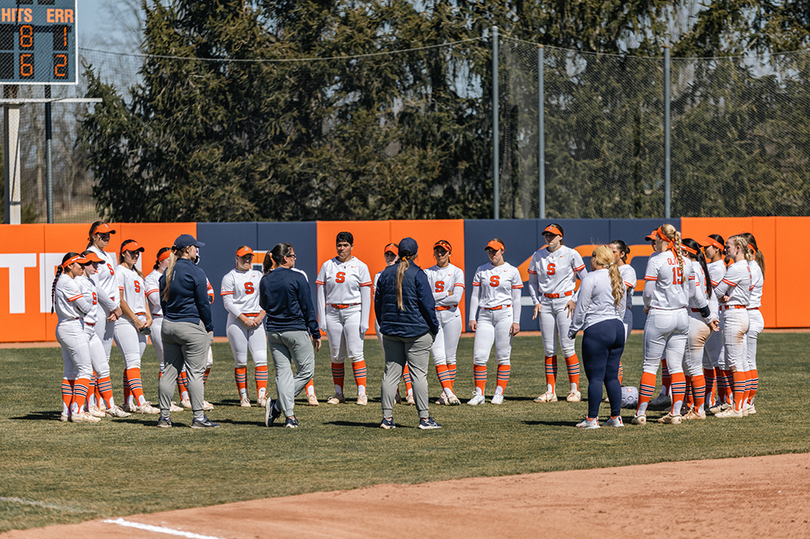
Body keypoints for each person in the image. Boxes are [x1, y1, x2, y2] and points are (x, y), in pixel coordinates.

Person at [632, 224, 714, 426]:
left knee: (650, 366)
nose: (654, 242)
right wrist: (707, 315)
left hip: (660, 314)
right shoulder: (686, 261)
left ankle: (641, 413)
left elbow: (648, 292)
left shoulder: (656, 260)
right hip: (681, 316)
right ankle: (675, 413)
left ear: (662, 239)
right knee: (676, 366)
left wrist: (646, 306)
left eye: (656, 238)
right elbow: (696, 294)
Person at [375, 237, 441, 429]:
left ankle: (386, 419)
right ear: (415, 254)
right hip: (416, 331)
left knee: (390, 374)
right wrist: (434, 326)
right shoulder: (418, 273)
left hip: (391, 331)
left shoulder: (386, 273)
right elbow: (428, 305)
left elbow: (378, 304)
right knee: (418, 375)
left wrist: (384, 324)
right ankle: (424, 419)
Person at [157, 234, 218, 428]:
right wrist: (209, 327)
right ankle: (198, 418)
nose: (197, 250)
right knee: (195, 374)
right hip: (191, 327)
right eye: (195, 247)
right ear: (187, 250)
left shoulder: (167, 272)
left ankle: (164, 417)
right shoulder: (196, 271)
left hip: (168, 326)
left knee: (169, 372)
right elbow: (203, 304)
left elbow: (163, 304)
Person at [260, 243, 321, 429]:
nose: (295, 258)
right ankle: (280, 407)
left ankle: (288, 415)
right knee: (306, 372)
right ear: (285, 258)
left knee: (283, 375)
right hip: (295, 330)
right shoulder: (298, 277)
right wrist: (315, 332)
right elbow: (307, 307)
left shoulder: (265, 279)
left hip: (273, 331)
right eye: (293, 255)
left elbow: (264, 305)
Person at [567, 245, 627, 428]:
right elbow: (622, 308)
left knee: (595, 377)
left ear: (595, 259)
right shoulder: (617, 277)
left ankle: (592, 419)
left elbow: (581, 308)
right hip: (617, 328)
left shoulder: (590, 278)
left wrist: (573, 329)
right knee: (612, 377)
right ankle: (616, 417)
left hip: (598, 329)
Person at [528, 224, 587, 404]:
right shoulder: (538, 255)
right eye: (546, 235)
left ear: (560, 236)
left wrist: (575, 299)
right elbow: (531, 282)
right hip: (545, 302)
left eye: (552, 235)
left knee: (568, 347)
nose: (549, 238)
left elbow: (586, 278)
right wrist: (536, 301)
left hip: (564, 301)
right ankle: (550, 391)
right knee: (549, 349)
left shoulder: (571, 253)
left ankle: (574, 391)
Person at [316, 232, 372, 405]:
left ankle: (361, 393)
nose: (342, 248)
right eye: (339, 245)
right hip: (332, 312)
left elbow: (366, 294)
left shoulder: (360, 266)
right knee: (336, 355)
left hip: (353, 310)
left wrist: (365, 319)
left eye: (345, 245)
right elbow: (320, 293)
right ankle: (338, 393)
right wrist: (322, 317)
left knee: (356, 353)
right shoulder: (328, 265)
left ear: (352, 246)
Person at [467, 239, 523, 405]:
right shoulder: (482, 270)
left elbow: (517, 299)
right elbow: (475, 295)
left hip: (505, 313)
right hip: (485, 315)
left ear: (502, 250)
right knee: (479, 356)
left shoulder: (512, 271)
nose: (492, 253)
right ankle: (479, 394)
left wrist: (516, 321)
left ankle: (499, 393)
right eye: (490, 251)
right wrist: (472, 316)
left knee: (503, 356)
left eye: (495, 250)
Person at [79, 250, 130, 418]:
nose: (96, 266)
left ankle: (107, 406)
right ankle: (82, 408)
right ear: (82, 264)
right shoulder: (77, 283)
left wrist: (113, 307)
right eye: (92, 263)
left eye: (96, 263)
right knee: (81, 370)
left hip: (91, 330)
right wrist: (113, 307)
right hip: (82, 331)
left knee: (102, 366)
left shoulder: (89, 282)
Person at [52, 252, 99, 423]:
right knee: (85, 370)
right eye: (80, 264)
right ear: (70, 265)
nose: (83, 266)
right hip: (72, 326)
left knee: (71, 371)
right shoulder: (68, 282)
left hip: (66, 325)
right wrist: (89, 305)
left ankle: (67, 411)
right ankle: (78, 410)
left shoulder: (63, 280)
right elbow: (85, 307)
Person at [113, 240, 158, 414]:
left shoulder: (138, 274)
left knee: (132, 363)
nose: (135, 255)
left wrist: (148, 316)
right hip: (126, 321)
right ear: (123, 253)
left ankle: (127, 402)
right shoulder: (119, 271)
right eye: (132, 252)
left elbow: (143, 299)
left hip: (140, 321)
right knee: (133, 362)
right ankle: (141, 402)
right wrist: (135, 319)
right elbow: (120, 299)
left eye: (138, 252)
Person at [221, 246, 268, 407]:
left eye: (249, 257)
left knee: (261, 359)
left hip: (257, 320)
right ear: (236, 258)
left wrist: (261, 315)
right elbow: (228, 303)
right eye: (243, 257)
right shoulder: (229, 277)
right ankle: (244, 397)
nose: (246, 260)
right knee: (241, 361)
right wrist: (243, 318)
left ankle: (262, 396)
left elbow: (266, 298)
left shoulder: (258, 275)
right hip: (237, 321)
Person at [711, 235, 753, 419]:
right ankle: (740, 405)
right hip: (740, 313)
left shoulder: (736, 267)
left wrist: (722, 295)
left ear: (738, 248)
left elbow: (718, 291)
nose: (726, 249)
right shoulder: (745, 266)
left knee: (734, 364)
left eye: (728, 246)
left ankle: (736, 408)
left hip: (734, 315)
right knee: (740, 363)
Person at [680, 238, 718, 420]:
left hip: (696, 318)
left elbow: (696, 295)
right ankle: (691, 406)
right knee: (689, 366)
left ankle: (698, 409)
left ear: (686, 252)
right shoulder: (699, 266)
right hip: (698, 318)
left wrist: (709, 317)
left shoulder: (692, 267)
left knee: (693, 368)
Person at [85, 222, 123, 395]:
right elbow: (96, 286)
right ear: (94, 236)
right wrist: (113, 306)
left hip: (110, 310)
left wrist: (115, 307)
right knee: (95, 358)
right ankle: (91, 402)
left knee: (105, 358)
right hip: (99, 309)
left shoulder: (108, 255)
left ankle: (102, 401)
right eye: (102, 234)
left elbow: (113, 285)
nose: (106, 237)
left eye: (109, 234)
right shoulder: (90, 255)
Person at [424, 240, 464, 405]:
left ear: (449, 253)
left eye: (443, 251)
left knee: (450, 356)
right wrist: (444, 294)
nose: (440, 254)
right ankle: (450, 393)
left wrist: (436, 297)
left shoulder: (456, 271)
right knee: (438, 356)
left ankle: (445, 393)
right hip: (434, 316)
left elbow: (457, 297)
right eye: (437, 251)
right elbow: (425, 299)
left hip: (452, 315)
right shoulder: (427, 272)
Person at [372, 243, 411, 405]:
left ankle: (410, 392)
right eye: (387, 254)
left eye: (392, 254)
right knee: (389, 357)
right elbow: (377, 301)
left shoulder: (406, 273)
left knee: (407, 357)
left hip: (402, 318)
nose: (389, 257)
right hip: (385, 318)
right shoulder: (379, 275)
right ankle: (395, 392)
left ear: (399, 256)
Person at [698, 234, 727, 410]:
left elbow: (710, 293)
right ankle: (710, 399)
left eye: (707, 246)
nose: (704, 249)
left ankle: (725, 399)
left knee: (717, 361)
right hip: (708, 317)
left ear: (717, 248)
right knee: (708, 362)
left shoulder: (717, 267)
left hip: (715, 317)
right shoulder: (711, 265)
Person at [741, 232, 764, 414]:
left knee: (748, 361)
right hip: (747, 314)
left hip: (750, 313)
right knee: (744, 360)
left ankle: (749, 401)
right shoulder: (748, 266)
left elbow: (744, 292)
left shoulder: (752, 267)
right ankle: (745, 400)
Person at [609, 240, 636, 386]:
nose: (610, 254)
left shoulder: (628, 270)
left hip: (623, 314)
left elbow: (621, 290)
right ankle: (613, 386)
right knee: (608, 352)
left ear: (622, 254)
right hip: (609, 314)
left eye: (614, 251)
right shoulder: (606, 269)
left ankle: (616, 386)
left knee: (615, 352)